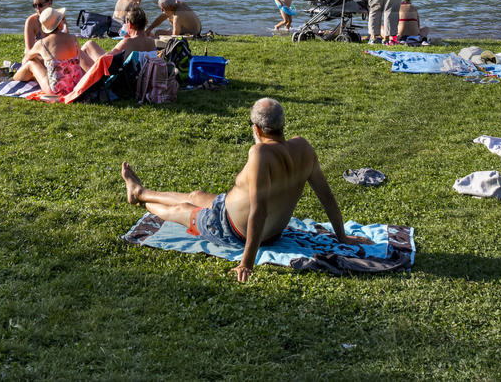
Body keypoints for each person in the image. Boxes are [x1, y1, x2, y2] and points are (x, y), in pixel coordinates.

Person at [119, 98, 371, 283]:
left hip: (231, 229)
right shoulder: (303, 147)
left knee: (183, 209)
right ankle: (141, 190)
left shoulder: (260, 152)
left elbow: (259, 210)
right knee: (196, 195)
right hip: (233, 212)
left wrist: (246, 262)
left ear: (257, 129)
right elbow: (326, 196)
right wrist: (342, 236)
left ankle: (139, 196)